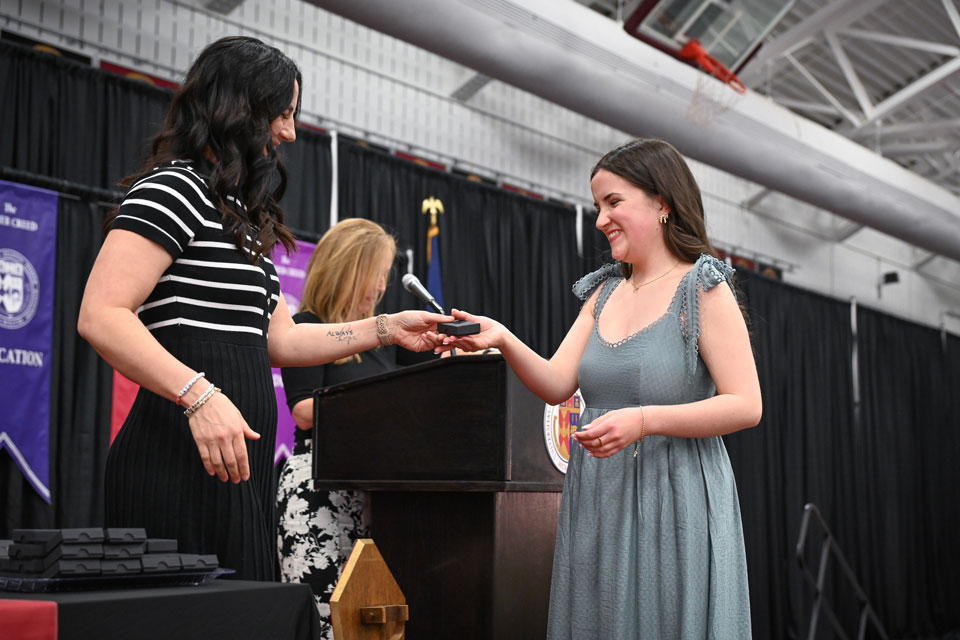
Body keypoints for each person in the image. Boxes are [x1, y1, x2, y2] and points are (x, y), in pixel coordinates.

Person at [77, 36, 449, 581]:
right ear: (239, 107)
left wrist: (388, 327)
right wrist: (199, 396)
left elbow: (284, 341)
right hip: (174, 459)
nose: (290, 132)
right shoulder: (173, 189)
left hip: (240, 471)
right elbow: (101, 313)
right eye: (283, 113)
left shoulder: (242, 219)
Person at [442, 138, 762, 639]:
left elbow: (746, 404)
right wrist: (501, 337)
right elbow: (556, 383)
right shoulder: (604, 292)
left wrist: (644, 420)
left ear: (662, 203)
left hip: (675, 498)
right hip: (600, 494)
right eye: (597, 206)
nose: (600, 219)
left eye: (613, 202)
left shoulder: (702, 287)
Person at [276, 218, 400, 633]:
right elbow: (303, 410)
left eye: (385, 275)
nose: (381, 286)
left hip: (373, 494)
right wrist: (379, 403)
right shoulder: (306, 327)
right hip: (319, 492)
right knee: (324, 622)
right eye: (375, 273)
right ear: (347, 269)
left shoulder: (382, 343)